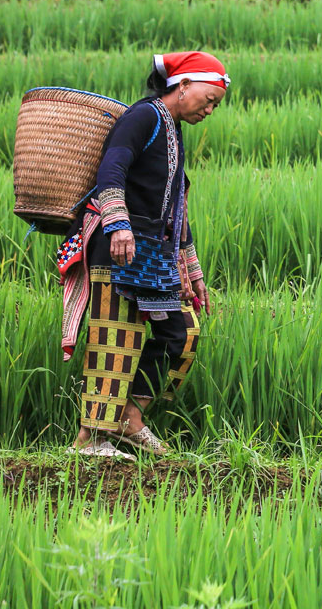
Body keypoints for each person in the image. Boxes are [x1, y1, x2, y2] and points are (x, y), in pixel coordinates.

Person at [58, 51, 224, 460]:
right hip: (118, 246)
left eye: (216, 104)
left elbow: (171, 204)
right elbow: (112, 168)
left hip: (150, 251)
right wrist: (117, 222)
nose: (210, 108)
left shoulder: (173, 128)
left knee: (181, 334)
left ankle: (130, 417)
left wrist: (190, 266)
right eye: (208, 97)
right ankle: (89, 439)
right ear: (182, 85)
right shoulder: (144, 116)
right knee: (116, 336)